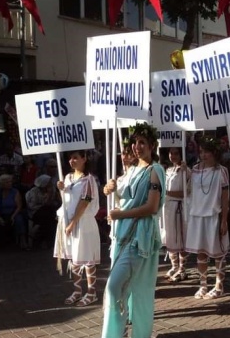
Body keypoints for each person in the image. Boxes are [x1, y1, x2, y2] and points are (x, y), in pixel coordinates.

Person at [101, 122, 166, 338]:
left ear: (152, 145)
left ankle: (120, 333)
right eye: (135, 142)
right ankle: (122, 331)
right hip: (122, 235)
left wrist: (121, 214)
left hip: (140, 237)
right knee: (122, 287)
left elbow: (151, 207)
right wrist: (108, 188)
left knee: (114, 286)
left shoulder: (155, 170)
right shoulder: (131, 171)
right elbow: (118, 192)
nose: (138, 146)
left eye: (143, 142)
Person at [54, 150, 101, 307]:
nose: (72, 161)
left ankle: (92, 292)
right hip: (68, 222)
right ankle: (77, 290)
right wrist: (60, 188)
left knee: (87, 258)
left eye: (75, 157)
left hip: (83, 223)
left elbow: (85, 201)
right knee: (74, 258)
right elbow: (67, 201)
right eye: (70, 158)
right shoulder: (67, 178)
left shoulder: (89, 180)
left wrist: (73, 223)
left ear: (84, 159)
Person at [185, 136, 230, 300]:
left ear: (215, 153)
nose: (204, 155)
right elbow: (189, 191)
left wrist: (224, 219)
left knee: (218, 253)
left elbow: (225, 196)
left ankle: (219, 285)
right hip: (197, 215)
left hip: (213, 215)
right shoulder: (195, 169)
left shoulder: (221, 171)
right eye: (202, 152)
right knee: (201, 253)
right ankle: (203, 285)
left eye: (207, 152)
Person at [162, 147, 191, 282]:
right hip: (168, 208)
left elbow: (186, 192)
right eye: (171, 153)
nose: (173, 156)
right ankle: (174, 266)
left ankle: (182, 269)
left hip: (180, 207)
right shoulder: (168, 170)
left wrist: (167, 194)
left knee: (182, 238)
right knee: (171, 237)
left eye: (176, 153)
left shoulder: (186, 171)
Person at [0, 174, 28, 253]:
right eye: (7, 182)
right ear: (2, 184)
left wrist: (13, 216)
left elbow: (19, 206)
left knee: (19, 219)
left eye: (10, 182)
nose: (10, 183)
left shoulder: (15, 192)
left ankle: (23, 241)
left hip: (13, 213)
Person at [25, 175, 59, 248]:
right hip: (35, 211)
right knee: (47, 212)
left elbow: (53, 203)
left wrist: (49, 196)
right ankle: (45, 241)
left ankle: (37, 229)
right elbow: (31, 206)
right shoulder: (34, 191)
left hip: (47, 212)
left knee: (49, 217)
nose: (50, 183)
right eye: (49, 182)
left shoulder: (51, 190)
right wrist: (43, 205)